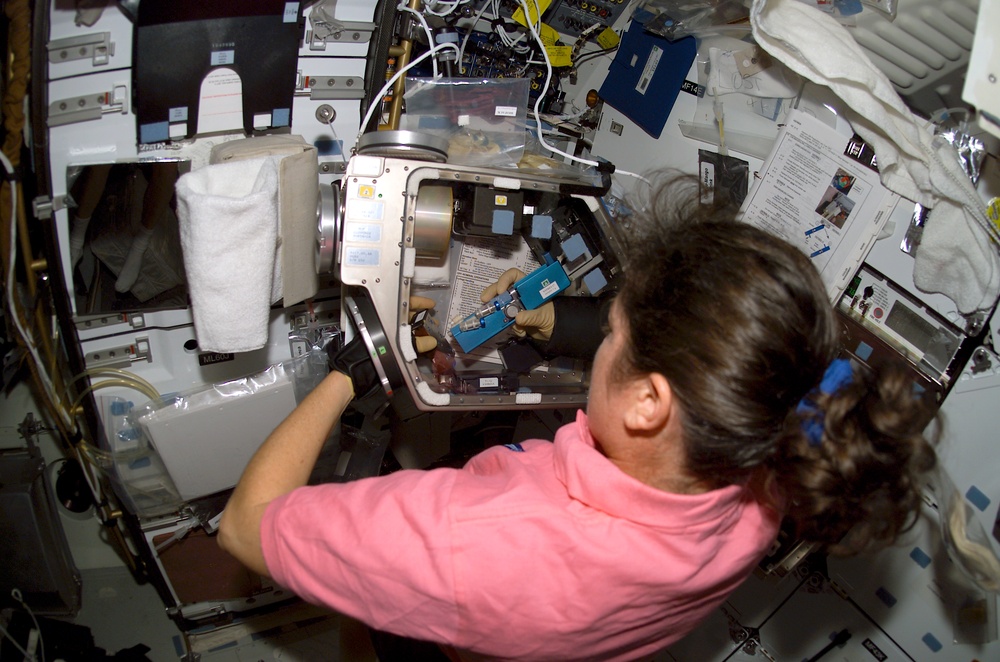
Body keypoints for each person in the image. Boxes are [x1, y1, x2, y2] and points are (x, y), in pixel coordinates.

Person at [217, 176, 938, 660]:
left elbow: (246, 526)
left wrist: (357, 367)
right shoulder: (766, 467)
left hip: (467, 618)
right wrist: (554, 319)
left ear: (651, 403)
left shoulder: (473, 540)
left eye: (611, 335)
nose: (601, 346)